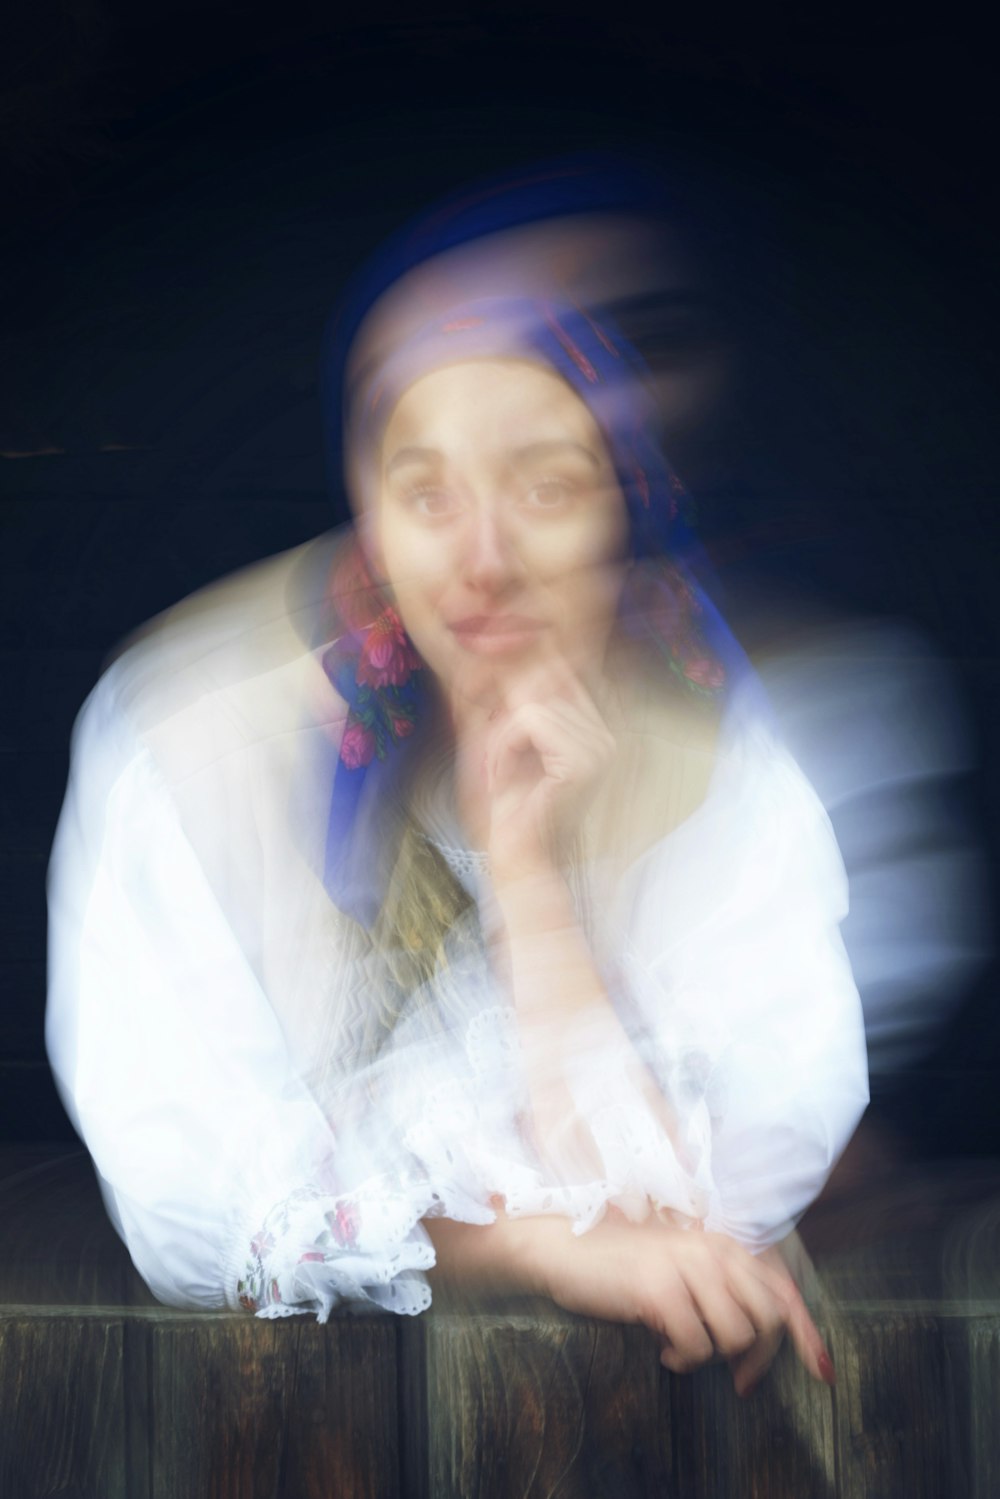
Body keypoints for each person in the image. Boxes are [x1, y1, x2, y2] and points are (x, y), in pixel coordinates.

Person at [46, 212, 868, 1399]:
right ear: (368, 507)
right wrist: (531, 1244)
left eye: (543, 483)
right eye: (424, 492)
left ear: (626, 501)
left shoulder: (715, 756)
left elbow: (715, 1199)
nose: (480, 557)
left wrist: (529, 883)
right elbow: (202, 1212)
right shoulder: (182, 733)